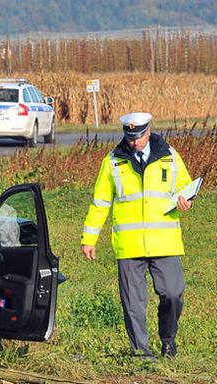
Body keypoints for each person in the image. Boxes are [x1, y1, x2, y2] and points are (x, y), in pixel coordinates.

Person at [80, 112, 193, 360]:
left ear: (148, 131)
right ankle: (141, 351)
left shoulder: (170, 156)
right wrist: (89, 238)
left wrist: (187, 200)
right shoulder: (113, 162)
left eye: (138, 137)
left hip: (165, 241)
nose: (134, 142)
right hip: (129, 245)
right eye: (130, 137)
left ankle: (168, 340)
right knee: (133, 303)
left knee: (173, 293)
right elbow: (100, 202)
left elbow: (186, 187)